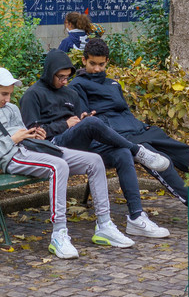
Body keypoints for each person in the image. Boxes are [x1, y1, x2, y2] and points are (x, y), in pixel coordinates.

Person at [0, 67, 134, 259]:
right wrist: (12, 139)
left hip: (34, 149)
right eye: (4, 94)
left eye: (11, 94)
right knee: (58, 166)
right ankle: (59, 234)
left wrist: (36, 134)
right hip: (13, 158)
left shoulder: (11, 108)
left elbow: (23, 134)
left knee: (94, 160)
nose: (8, 99)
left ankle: (104, 225)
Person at [19, 50, 173, 238]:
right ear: (50, 72)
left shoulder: (70, 93)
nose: (65, 81)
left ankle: (136, 217)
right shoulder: (33, 95)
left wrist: (83, 118)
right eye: (60, 77)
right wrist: (65, 124)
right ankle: (138, 150)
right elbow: (34, 134)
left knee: (122, 153)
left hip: (79, 144)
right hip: (53, 146)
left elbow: (79, 118)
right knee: (94, 125)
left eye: (68, 77)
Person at [69, 37, 189, 202]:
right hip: (118, 137)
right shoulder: (77, 85)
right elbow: (85, 120)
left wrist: (142, 126)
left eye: (101, 64)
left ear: (107, 62)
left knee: (187, 154)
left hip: (139, 130)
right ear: (84, 60)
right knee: (164, 162)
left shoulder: (113, 84)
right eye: (92, 64)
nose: (97, 69)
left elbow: (125, 111)